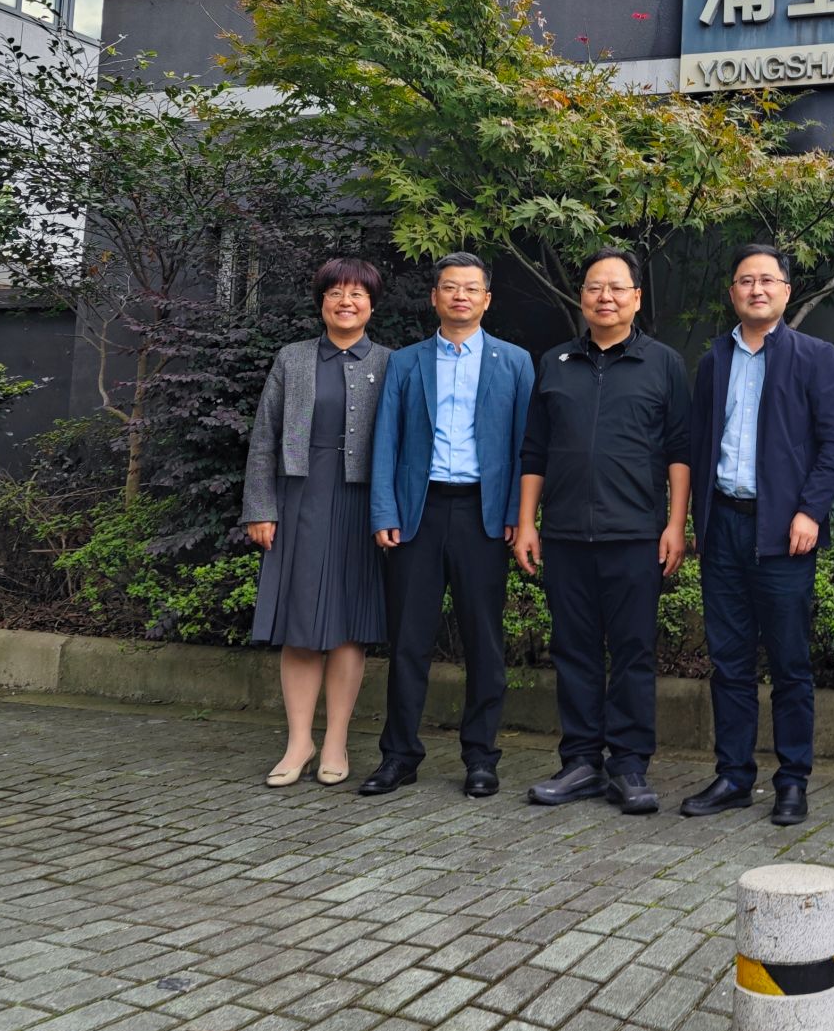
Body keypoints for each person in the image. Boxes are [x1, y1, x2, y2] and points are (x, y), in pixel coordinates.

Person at [679, 244, 834, 825]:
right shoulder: (715, 360)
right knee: (728, 661)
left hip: (784, 531)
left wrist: (810, 512)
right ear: (733, 292)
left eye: (767, 280)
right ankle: (733, 775)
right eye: (745, 281)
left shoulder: (814, 356)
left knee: (788, 663)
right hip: (723, 525)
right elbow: (700, 443)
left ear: (786, 290)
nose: (756, 289)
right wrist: (696, 519)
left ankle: (792, 781)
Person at [514, 248, 692, 815]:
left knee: (634, 652)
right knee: (574, 651)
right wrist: (527, 523)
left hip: (636, 535)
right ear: (582, 297)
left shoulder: (663, 363)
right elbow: (534, 450)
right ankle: (581, 762)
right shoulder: (554, 362)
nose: (605, 297)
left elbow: (679, 451)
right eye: (594, 287)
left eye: (617, 288)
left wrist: (676, 524)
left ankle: (630, 764)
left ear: (636, 297)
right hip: (565, 535)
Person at [363, 253, 534, 798]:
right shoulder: (406, 362)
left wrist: (517, 514)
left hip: (483, 515)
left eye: (471, 288)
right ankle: (399, 755)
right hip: (419, 513)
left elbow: (525, 447)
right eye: (450, 287)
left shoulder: (515, 362)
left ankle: (481, 757)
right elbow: (386, 439)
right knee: (408, 640)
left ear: (487, 299)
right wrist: (385, 511)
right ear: (434, 297)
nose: (461, 296)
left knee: (483, 641)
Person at [242, 258, 393, 788]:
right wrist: (260, 506)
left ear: (372, 304)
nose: (345, 302)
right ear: (322, 301)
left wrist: (391, 512)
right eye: (335, 293)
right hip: (300, 498)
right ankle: (299, 741)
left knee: (350, 624)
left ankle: (336, 741)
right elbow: (264, 436)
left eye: (357, 294)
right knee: (300, 623)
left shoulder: (391, 363)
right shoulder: (293, 358)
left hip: (362, 504)